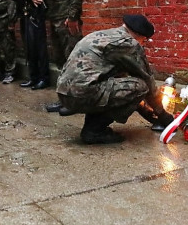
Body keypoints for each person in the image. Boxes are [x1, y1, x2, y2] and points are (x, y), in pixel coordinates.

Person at [56, 15, 174, 144]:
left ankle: (91, 123)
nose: (143, 44)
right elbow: (147, 82)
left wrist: (148, 113)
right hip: (82, 94)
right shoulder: (129, 43)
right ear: (140, 35)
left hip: (64, 92)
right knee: (140, 86)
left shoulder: (101, 35)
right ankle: (94, 130)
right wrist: (163, 115)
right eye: (144, 41)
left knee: (117, 82)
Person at [8, 0, 50, 89]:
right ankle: (33, 77)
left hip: (36, 16)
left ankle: (44, 78)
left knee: (40, 48)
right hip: (24, 16)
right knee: (29, 49)